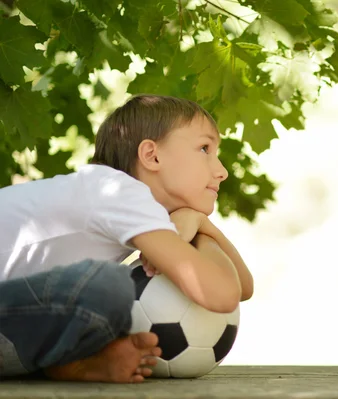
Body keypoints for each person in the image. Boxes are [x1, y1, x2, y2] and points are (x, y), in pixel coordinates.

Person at [0, 94, 254, 383]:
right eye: (205, 148)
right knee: (108, 284)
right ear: (152, 156)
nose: (222, 171)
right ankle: (70, 361)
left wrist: (201, 224)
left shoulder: (127, 210)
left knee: (108, 289)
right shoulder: (115, 191)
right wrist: (198, 225)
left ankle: (69, 363)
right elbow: (221, 294)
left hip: (13, 321)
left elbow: (242, 288)